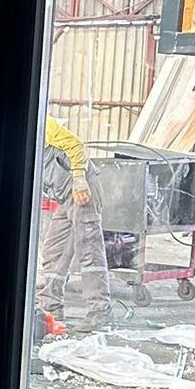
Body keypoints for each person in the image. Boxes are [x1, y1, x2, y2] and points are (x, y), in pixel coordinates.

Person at [35, 115, 111, 334]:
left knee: (89, 250)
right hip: (64, 197)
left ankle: (100, 311)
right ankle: (51, 307)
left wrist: (79, 179)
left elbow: (75, 145)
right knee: (54, 250)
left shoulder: (43, 124)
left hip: (81, 191)